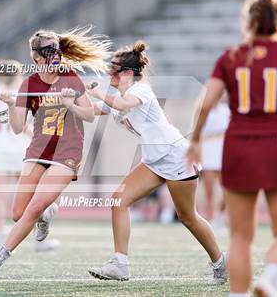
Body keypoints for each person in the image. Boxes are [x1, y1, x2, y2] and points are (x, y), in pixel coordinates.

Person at [86, 40, 227, 284]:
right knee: (118, 201)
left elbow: (120, 105)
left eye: (113, 69)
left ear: (128, 73)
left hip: (175, 157)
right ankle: (120, 264)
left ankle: (220, 262)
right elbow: (87, 112)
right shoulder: (119, 94)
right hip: (154, 160)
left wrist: (97, 92)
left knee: (188, 217)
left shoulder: (139, 90)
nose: (109, 73)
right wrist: (67, 99)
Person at [0, 26, 111, 283]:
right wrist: (9, 103)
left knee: (35, 205)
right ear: (36, 57)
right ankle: (46, 215)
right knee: (19, 212)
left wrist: (70, 103)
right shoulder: (29, 84)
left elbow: (88, 115)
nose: (55, 54)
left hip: (67, 150)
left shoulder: (71, 77)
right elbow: (18, 128)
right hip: (38, 149)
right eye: (49, 50)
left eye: (57, 49)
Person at [187, 0, 277, 296]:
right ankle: (270, 278)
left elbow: (205, 104)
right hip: (274, 147)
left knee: (240, 237)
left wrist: (196, 140)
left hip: (237, 147)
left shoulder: (231, 57)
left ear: (249, 21)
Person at [0, 58, 58, 252]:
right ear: (16, 75)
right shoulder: (24, 96)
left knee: (0, 196)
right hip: (22, 151)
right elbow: (24, 127)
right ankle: (38, 241)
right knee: (32, 197)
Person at [199, 99, 230, 231]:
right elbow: (198, 132)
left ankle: (220, 217)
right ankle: (210, 222)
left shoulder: (226, 111)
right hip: (208, 155)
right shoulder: (203, 111)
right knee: (209, 192)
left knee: (227, 190)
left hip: (223, 154)